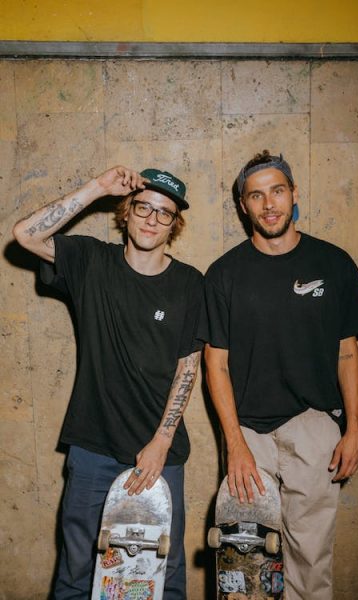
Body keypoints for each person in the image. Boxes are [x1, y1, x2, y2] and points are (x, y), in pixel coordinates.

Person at [13, 165, 203, 599]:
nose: (152, 220)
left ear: (175, 224)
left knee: (163, 573)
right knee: (77, 567)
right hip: (92, 447)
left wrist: (161, 442)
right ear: (127, 210)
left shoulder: (191, 284)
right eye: (144, 208)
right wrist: (96, 188)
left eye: (165, 213)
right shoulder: (91, 262)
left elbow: (188, 367)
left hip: (159, 452)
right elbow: (25, 235)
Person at [202, 150, 358, 599]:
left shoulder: (334, 264)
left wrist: (354, 428)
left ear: (294, 194)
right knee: (246, 568)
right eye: (256, 196)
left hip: (315, 426)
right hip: (249, 436)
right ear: (244, 206)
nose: (269, 204)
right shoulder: (223, 274)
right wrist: (234, 444)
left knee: (311, 559)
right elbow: (215, 363)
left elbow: (347, 354)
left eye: (277, 191)